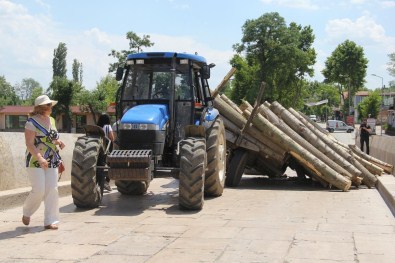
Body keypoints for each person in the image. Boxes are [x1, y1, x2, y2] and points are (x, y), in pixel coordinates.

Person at [23, 95, 65, 230]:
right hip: (35, 160)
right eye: (48, 105)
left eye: (50, 105)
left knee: (52, 190)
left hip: (52, 158)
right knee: (39, 190)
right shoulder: (31, 122)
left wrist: (58, 142)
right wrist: (40, 158)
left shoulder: (52, 120)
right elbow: (29, 144)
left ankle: (50, 221)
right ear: (41, 107)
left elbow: (51, 138)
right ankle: (27, 212)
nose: (50, 107)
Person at [97, 113, 114, 191]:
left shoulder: (97, 127)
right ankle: (106, 182)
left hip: (99, 149)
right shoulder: (108, 126)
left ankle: (100, 182)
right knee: (111, 165)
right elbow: (112, 138)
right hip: (107, 148)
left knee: (100, 165)